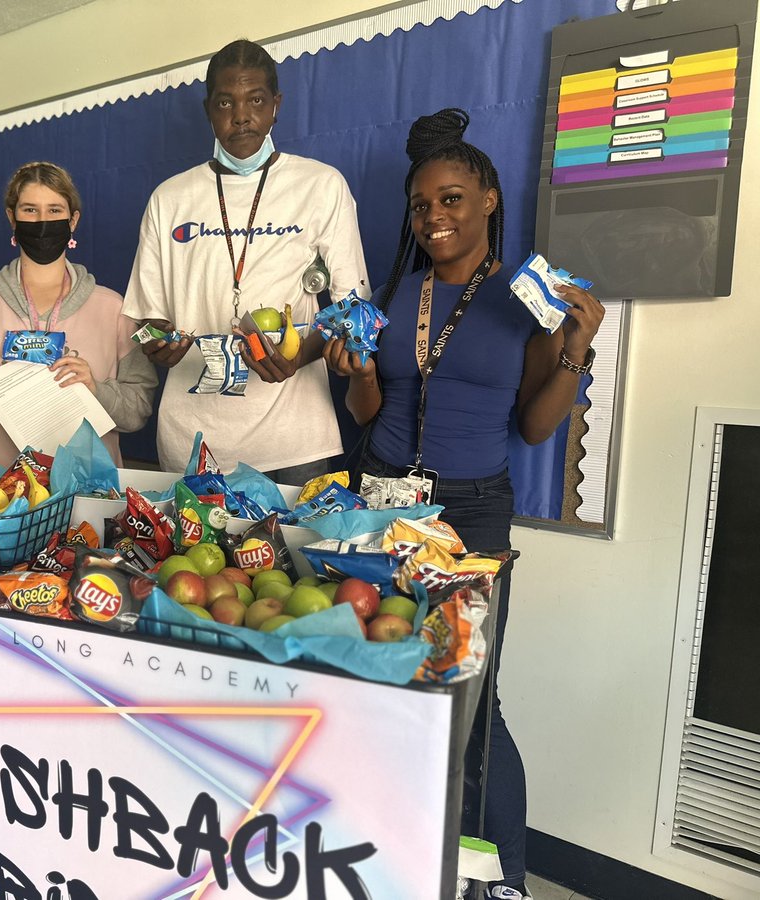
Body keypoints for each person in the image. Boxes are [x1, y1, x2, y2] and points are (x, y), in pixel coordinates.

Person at [325, 109, 604, 900]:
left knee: (474, 702)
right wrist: (358, 370)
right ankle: (384, 849)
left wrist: (577, 352)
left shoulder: (527, 303)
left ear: (487, 199)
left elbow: (535, 425)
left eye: (451, 199)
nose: (435, 217)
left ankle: (502, 880)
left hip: (471, 515)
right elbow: (369, 412)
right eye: (422, 206)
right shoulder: (398, 291)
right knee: (376, 676)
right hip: (380, 502)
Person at [122, 38, 369, 482]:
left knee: (292, 555)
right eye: (225, 102)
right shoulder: (169, 198)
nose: (241, 115)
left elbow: (354, 307)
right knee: (195, 556)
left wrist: (300, 355)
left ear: (276, 105)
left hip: (295, 443)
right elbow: (146, 317)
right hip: (192, 446)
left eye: (255, 99)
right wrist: (157, 343)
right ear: (208, 111)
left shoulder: (321, 185)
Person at [0, 161, 157, 472]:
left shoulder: (114, 309)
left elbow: (138, 411)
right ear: (12, 217)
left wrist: (95, 389)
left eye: (55, 210)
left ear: (73, 220)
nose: (42, 221)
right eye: (30, 210)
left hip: (80, 489)